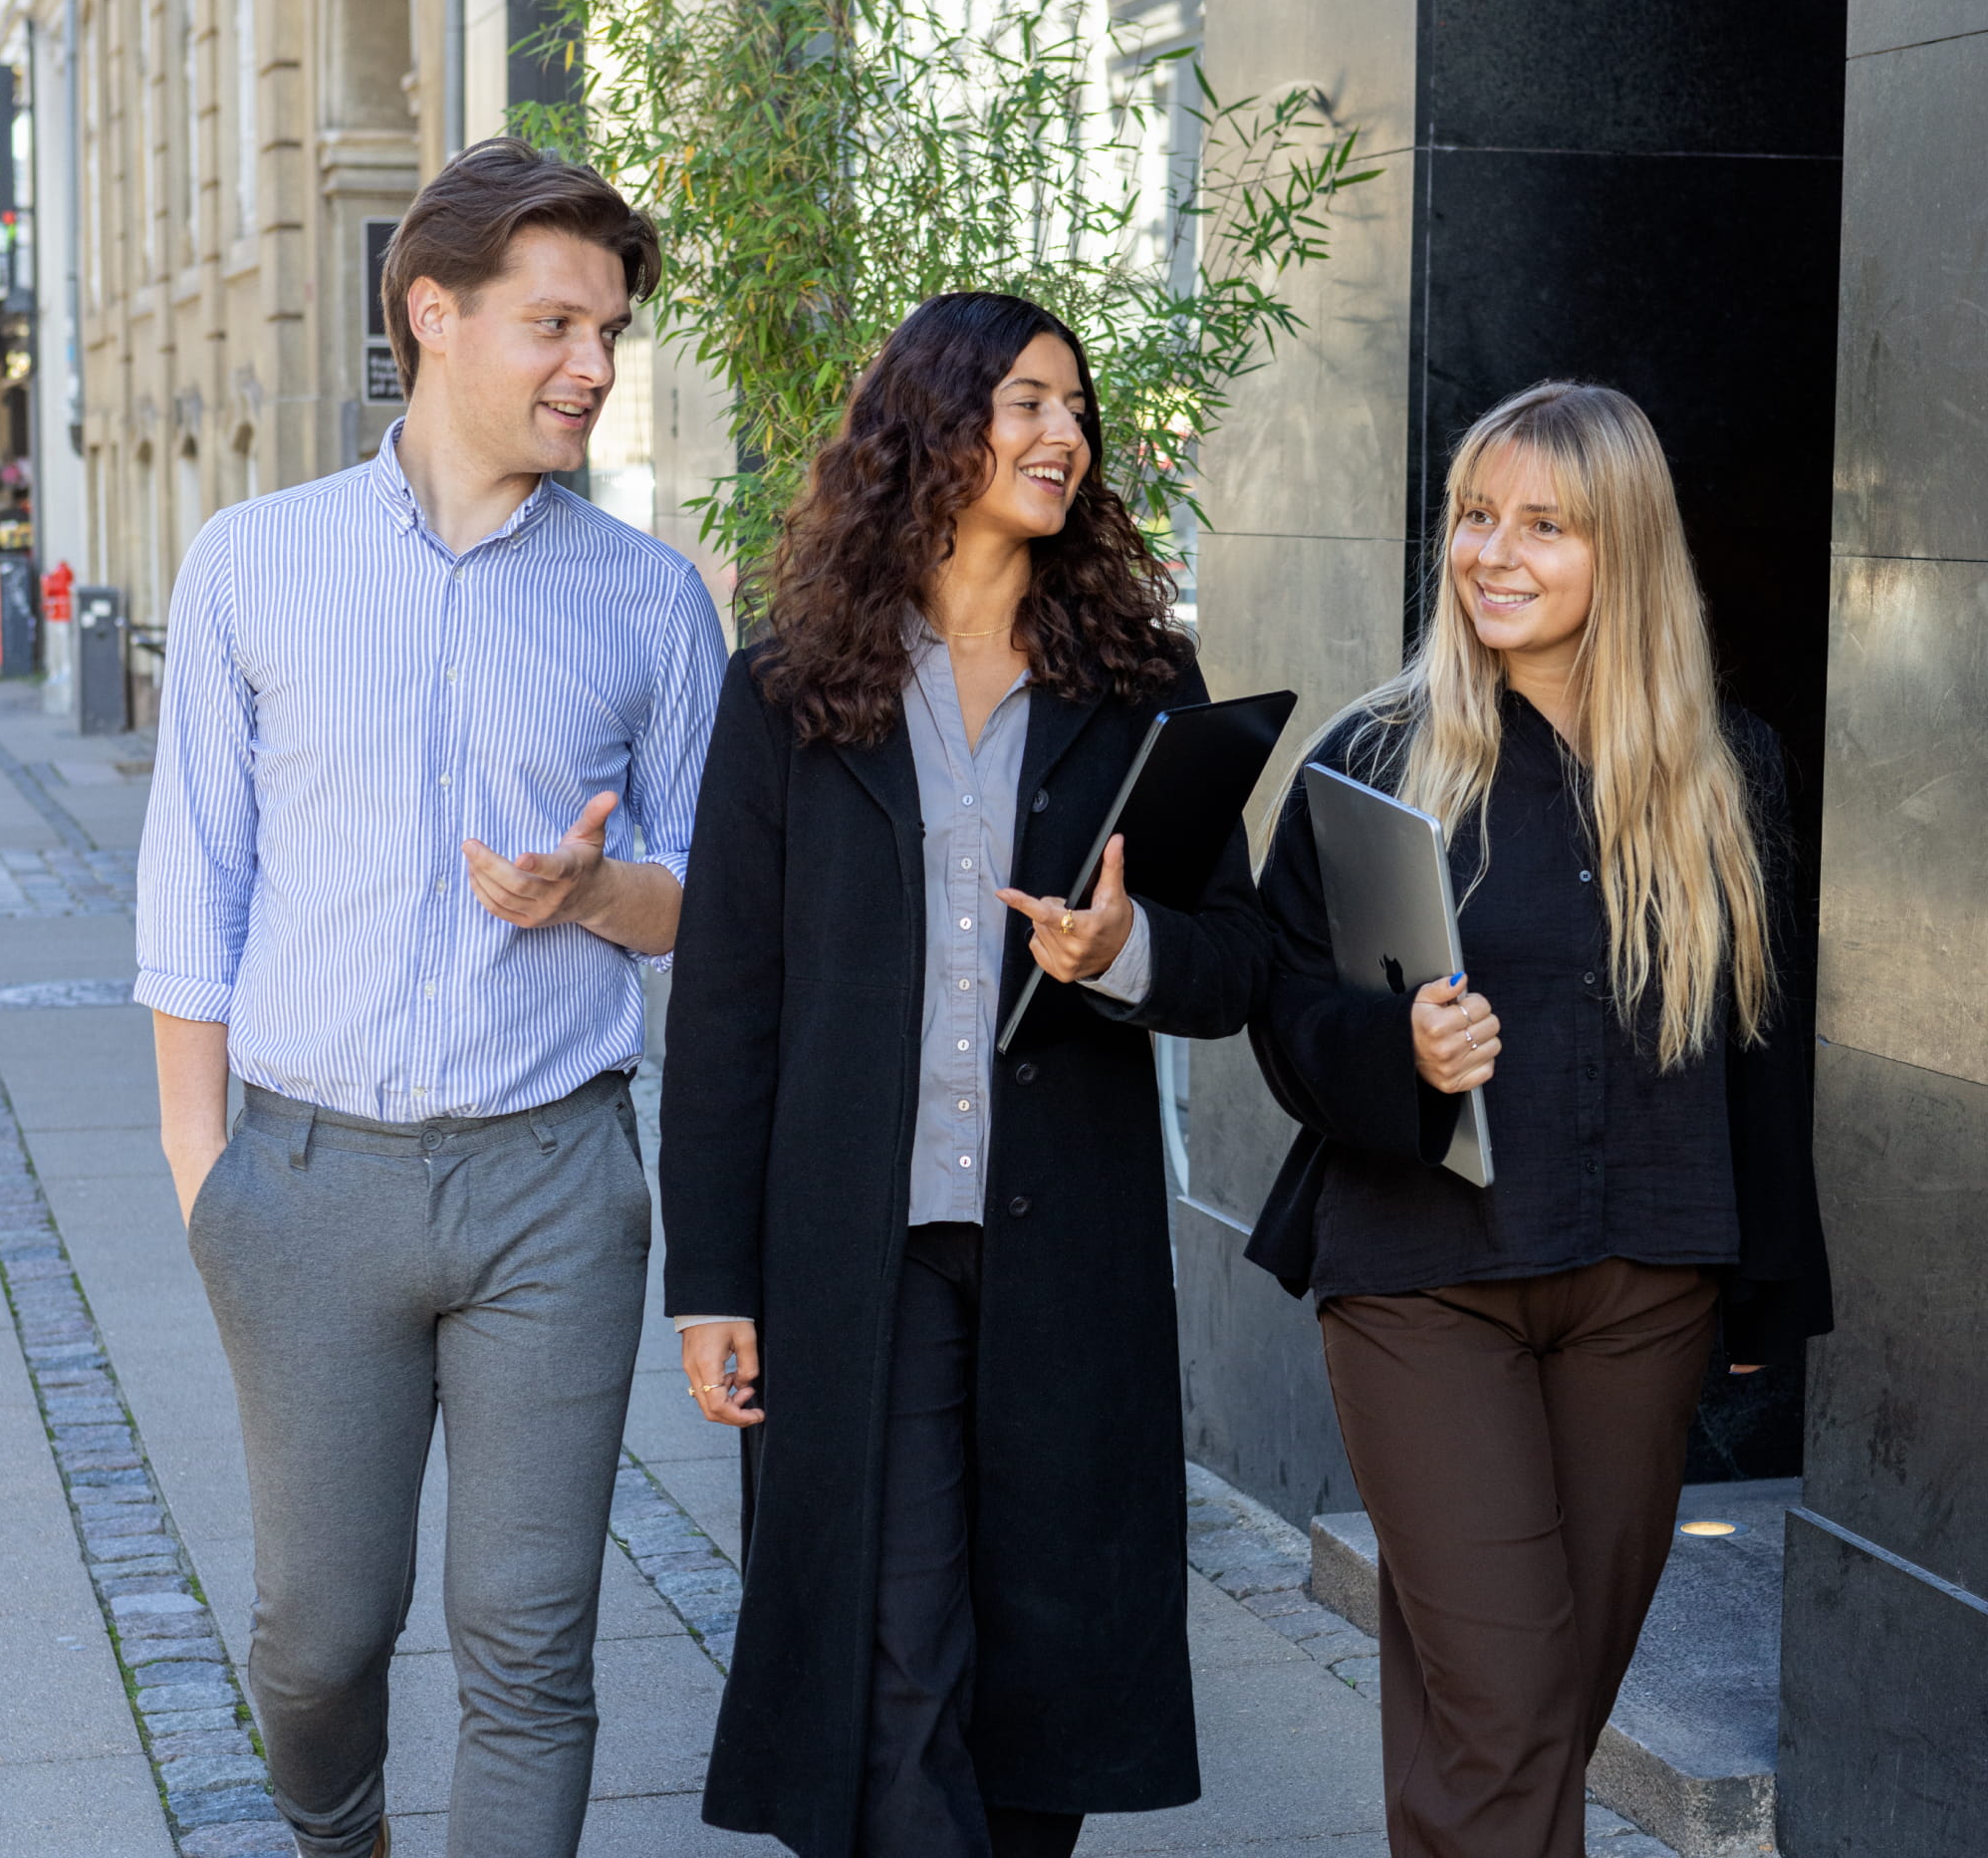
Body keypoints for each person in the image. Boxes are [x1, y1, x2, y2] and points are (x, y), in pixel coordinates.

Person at [135, 137, 726, 1858]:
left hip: (556, 1182)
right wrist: (205, 1187)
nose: (594, 366)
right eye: (556, 324)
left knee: (530, 1642)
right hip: (307, 1186)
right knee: (316, 1639)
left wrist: (589, 893)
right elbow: (193, 892)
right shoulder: (254, 561)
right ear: (434, 316)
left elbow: (695, 901)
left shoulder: (649, 598)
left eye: (609, 331)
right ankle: (342, 1836)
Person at [658, 291, 1269, 1858]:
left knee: (1045, 1656)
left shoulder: (1143, 686)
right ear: (932, 427)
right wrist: (712, 1278)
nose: (1064, 434)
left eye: (1077, 409)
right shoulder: (787, 693)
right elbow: (729, 1007)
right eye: (1026, 403)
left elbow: (1239, 957)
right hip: (860, 1253)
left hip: (1067, 1247)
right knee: (892, 1645)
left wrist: (1122, 950)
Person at [1245, 382, 1832, 1858]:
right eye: (1473, 517)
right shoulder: (1378, 757)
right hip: (1422, 1280)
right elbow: (1284, 1008)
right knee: (1503, 1709)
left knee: (1527, 1708)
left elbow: (1760, 1046)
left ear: (1621, 550)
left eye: (1542, 525)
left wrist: (1767, 1293)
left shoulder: (1726, 769)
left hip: (1645, 1280)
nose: (1491, 553)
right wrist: (1403, 1049)